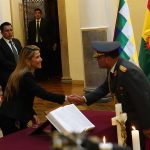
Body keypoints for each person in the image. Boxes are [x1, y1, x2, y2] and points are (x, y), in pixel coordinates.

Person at [68, 41, 150, 150]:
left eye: (98, 57)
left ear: (107, 58)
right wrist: (83, 99)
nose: (96, 60)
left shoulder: (128, 72)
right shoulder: (113, 69)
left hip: (136, 122)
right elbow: (104, 88)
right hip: (125, 119)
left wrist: (147, 126)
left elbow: (143, 100)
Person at [0, 45, 68, 136]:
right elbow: (43, 94)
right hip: (12, 118)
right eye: (37, 57)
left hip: (10, 115)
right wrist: (67, 98)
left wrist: (32, 113)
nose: (41, 59)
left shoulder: (21, 73)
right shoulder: (26, 76)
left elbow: (22, 98)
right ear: (27, 60)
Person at [28, 8, 57, 80]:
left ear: (41, 14)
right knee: (35, 61)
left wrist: (53, 43)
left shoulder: (46, 22)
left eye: (38, 13)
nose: (37, 14)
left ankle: (46, 76)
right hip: (35, 45)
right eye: (36, 13)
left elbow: (51, 34)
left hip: (44, 45)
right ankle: (38, 76)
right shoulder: (31, 24)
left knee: (45, 60)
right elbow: (30, 35)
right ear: (34, 14)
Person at [0, 22, 22, 91]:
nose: (10, 32)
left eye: (11, 30)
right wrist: (17, 68)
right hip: (7, 75)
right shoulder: (0, 44)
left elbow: (22, 55)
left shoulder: (16, 41)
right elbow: (3, 61)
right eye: (7, 31)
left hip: (20, 72)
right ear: (2, 32)